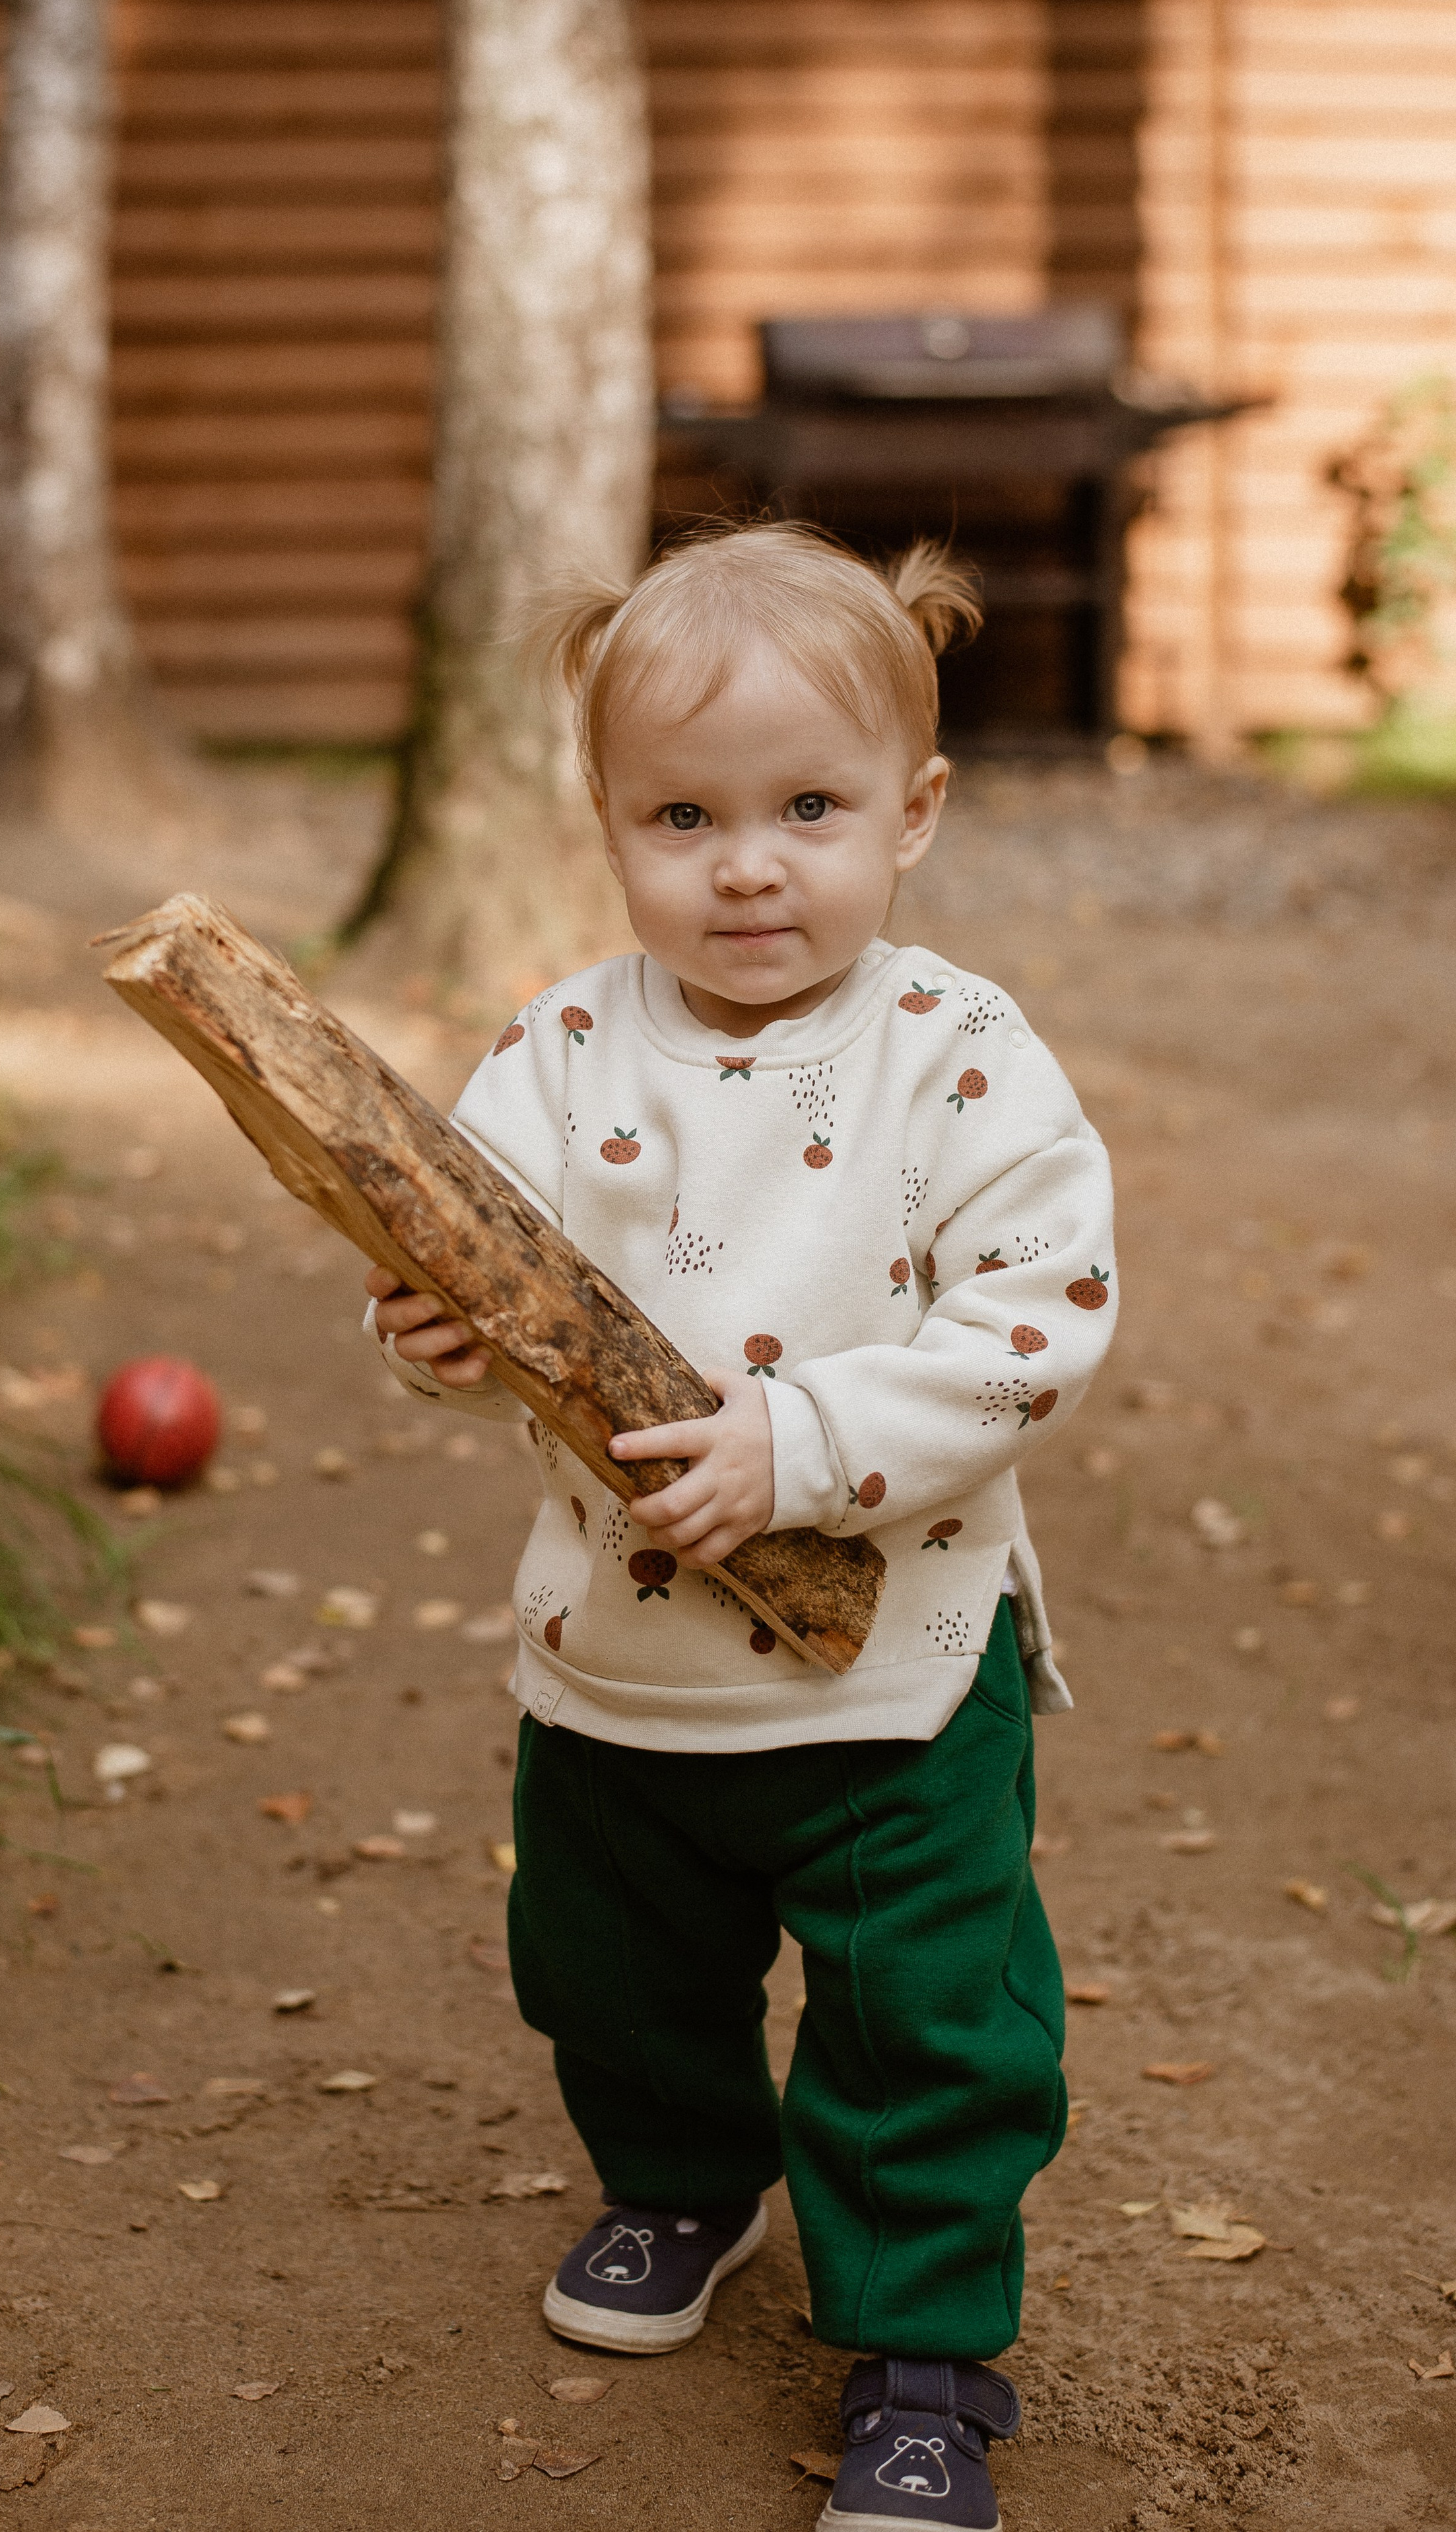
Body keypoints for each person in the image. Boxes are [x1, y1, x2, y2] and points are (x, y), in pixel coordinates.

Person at [364, 522, 1116, 2531]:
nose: (748, 867)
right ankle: (686, 2180)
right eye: (683, 817)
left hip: (895, 1669)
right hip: (616, 1657)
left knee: (923, 2016)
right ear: (608, 818)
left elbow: (1038, 1321)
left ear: (913, 812)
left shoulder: (960, 1056)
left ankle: (926, 2351)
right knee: (611, 1965)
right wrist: (438, 1333)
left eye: (809, 809)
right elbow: (482, 1261)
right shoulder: (559, 1053)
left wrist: (810, 1441)